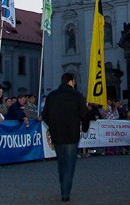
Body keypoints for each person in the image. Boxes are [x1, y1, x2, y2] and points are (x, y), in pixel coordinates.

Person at [41, 72, 89, 203]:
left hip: (57, 134)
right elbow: (85, 114)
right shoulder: (77, 95)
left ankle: (64, 188)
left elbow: (44, 115)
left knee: (61, 163)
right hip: (72, 134)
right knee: (70, 164)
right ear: (71, 81)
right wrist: (84, 128)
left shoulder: (52, 96)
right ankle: (65, 192)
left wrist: (52, 125)